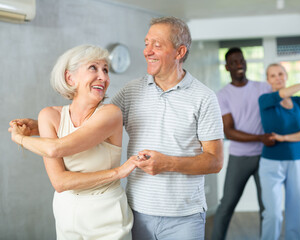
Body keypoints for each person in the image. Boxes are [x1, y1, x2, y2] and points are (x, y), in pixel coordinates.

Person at [11, 17, 224, 240]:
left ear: (179, 52)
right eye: (146, 43)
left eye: (156, 45)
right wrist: (40, 125)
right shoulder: (132, 91)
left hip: (184, 217)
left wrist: (168, 163)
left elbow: (215, 161)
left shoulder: (204, 98)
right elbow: (92, 122)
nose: (147, 51)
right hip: (137, 210)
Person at [9, 45, 135, 240]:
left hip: (107, 214)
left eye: (105, 70)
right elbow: (60, 182)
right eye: (94, 68)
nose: (103, 77)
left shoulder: (111, 114)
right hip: (66, 212)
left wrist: (20, 138)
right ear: (70, 78)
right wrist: (117, 173)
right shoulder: (49, 116)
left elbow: (55, 149)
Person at [212, 48, 300, 240]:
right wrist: (260, 138)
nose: (239, 65)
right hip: (242, 156)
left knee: (268, 209)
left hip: (266, 154)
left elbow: (295, 102)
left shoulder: (263, 87)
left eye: (241, 60)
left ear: (246, 63)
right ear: (227, 67)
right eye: (234, 62)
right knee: (228, 203)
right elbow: (228, 131)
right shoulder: (223, 94)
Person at [258, 63, 300, 240]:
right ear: (268, 80)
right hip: (271, 163)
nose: (278, 78)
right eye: (273, 75)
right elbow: (283, 93)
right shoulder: (265, 100)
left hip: (297, 160)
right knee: (273, 214)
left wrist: (284, 138)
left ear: (286, 76)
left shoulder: (299, 102)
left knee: (296, 210)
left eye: (281, 74)